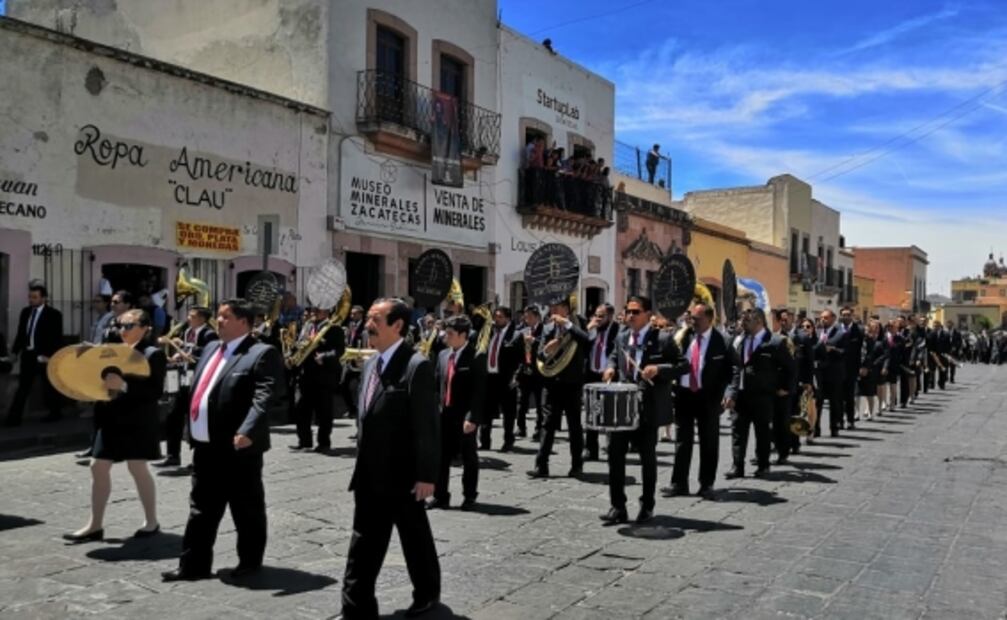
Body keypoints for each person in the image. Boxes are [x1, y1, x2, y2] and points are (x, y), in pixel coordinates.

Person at [162, 298, 286, 582]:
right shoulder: (209, 349)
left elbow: (265, 395)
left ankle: (250, 562)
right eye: (218, 316)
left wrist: (248, 429)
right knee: (201, 508)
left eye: (225, 317)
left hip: (238, 447)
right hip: (205, 446)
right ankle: (192, 566)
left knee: (246, 508)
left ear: (244, 321)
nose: (218, 321)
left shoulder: (260, 353)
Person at [341, 298, 441, 619]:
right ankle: (356, 608)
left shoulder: (416, 366)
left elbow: (427, 427)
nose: (368, 324)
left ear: (397, 325)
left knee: (414, 539)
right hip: (369, 474)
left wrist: (426, 475)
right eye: (368, 318)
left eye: (376, 319)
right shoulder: (371, 363)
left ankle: (426, 594)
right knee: (363, 544)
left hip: (403, 475)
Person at [63, 309, 167, 542]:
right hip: (110, 418)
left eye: (128, 326)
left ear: (145, 327)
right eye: (119, 325)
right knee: (97, 466)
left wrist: (125, 386)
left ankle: (151, 521)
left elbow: (155, 391)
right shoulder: (112, 350)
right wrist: (85, 356)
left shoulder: (152, 354)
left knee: (137, 468)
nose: (122, 330)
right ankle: (94, 525)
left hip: (137, 419)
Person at [600, 296, 687, 525]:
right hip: (621, 406)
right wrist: (610, 368)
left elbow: (682, 365)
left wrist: (658, 369)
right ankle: (617, 506)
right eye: (627, 311)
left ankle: (647, 505)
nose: (629, 316)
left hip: (647, 407)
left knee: (647, 458)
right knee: (614, 456)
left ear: (648, 314)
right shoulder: (621, 336)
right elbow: (613, 357)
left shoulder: (663, 338)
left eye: (635, 312)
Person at [666, 302, 732, 499]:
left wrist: (729, 393)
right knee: (682, 441)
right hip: (684, 394)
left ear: (710, 319)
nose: (692, 322)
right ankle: (678, 483)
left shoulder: (724, 341)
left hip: (709, 397)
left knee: (709, 442)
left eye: (697, 318)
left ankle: (706, 484)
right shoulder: (684, 336)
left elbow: (733, 371)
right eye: (691, 318)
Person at [723, 308, 793, 479]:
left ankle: (763, 465)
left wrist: (784, 387)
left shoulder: (775, 342)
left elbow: (789, 368)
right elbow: (734, 367)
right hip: (741, 394)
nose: (743, 323)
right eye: (742, 319)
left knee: (762, 431)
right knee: (738, 431)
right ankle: (737, 466)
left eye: (747, 320)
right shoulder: (739, 341)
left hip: (763, 395)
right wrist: (729, 392)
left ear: (759, 321)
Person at [527, 297, 591, 479]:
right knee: (547, 424)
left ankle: (577, 465)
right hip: (552, 382)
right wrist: (547, 349)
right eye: (551, 306)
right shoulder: (547, 328)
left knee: (574, 426)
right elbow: (539, 354)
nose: (552, 310)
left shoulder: (579, 324)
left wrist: (568, 325)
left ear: (565, 309)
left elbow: (587, 342)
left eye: (556, 307)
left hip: (572, 383)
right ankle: (541, 465)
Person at [429, 314, 485, 511]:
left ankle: (470, 496)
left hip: (464, 416)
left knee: (469, 457)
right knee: (441, 457)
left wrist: (472, 418)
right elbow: (437, 385)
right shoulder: (443, 355)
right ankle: (440, 495)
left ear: (463, 335)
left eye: (450, 333)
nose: (446, 337)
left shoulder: (476, 357)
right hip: (444, 414)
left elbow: (479, 392)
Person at [157, 307, 218, 469]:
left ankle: (198, 459)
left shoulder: (208, 334)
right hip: (182, 380)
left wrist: (185, 347)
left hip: (196, 382)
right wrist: (177, 353)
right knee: (173, 416)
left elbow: (209, 353)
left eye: (192, 316)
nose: (188, 318)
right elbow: (185, 351)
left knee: (195, 421)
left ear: (202, 319)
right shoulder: (187, 331)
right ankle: (172, 456)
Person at [5, 283, 64, 427]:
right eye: (30, 297)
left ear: (43, 298)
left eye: (35, 297)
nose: (31, 300)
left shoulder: (54, 315)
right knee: (23, 387)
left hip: (44, 356)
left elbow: (56, 338)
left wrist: (50, 356)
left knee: (48, 385)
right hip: (28, 355)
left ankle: (55, 412)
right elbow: (20, 334)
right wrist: (14, 353)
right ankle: (14, 418)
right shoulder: (25, 312)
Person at [291, 306, 346, 453]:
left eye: (317, 310)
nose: (313, 313)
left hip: (323, 375)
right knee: (300, 407)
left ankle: (324, 443)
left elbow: (339, 350)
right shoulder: (307, 325)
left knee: (324, 411)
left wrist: (325, 357)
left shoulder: (333, 328)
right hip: (304, 374)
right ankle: (304, 441)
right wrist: (291, 356)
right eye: (313, 310)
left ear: (326, 312)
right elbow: (299, 343)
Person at [479, 307, 519, 452]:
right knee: (486, 411)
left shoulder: (515, 335)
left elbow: (521, 360)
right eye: (495, 317)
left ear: (508, 318)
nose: (497, 320)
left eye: (500, 317)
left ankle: (508, 441)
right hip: (489, 377)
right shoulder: (489, 333)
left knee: (508, 412)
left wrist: (516, 377)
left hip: (506, 379)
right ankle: (484, 441)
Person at [584, 303, 619, 461]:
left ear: (610, 316)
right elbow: (582, 344)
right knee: (592, 412)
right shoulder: (592, 328)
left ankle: (612, 447)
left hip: (610, 375)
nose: (597, 319)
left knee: (610, 413)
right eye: (596, 315)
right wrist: (588, 328)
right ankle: (590, 449)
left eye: (601, 316)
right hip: (592, 373)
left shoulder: (618, 329)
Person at [814, 309, 847, 438]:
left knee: (834, 402)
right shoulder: (817, 332)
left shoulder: (841, 333)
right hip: (819, 373)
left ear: (833, 318)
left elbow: (845, 352)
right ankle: (815, 428)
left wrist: (833, 349)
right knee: (818, 402)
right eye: (821, 318)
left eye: (826, 318)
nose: (823, 320)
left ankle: (834, 427)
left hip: (834, 373)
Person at [515, 306, 545, 441]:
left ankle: (539, 429)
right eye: (526, 317)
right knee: (521, 401)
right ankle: (521, 427)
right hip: (525, 370)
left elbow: (547, 346)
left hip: (539, 371)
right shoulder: (522, 330)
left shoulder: (544, 330)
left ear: (537, 317)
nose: (527, 320)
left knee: (540, 403)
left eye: (530, 317)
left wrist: (534, 341)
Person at [340, 305, 368, 420]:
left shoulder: (365, 327)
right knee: (343, 384)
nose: (352, 316)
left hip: (360, 360)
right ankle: (352, 409)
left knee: (360, 387)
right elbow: (348, 339)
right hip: (349, 360)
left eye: (354, 314)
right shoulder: (350, 325)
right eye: (351, 314)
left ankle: (361, 410)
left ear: (361, 314)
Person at [838, 307, 863, 429]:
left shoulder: (858, 331)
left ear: (852, 316)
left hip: (852, 369)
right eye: (843, 315)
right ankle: (840, 419)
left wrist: (862, 367)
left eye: (848, 315)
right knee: (838, 396)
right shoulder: (837, 330)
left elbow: (862, 351)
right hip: (837, 368)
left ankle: (850, 420)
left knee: (849, 396)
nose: (846, 317)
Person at [858, 319, 887, 420]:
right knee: (858, 393)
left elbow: (884, 355)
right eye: (868, 329)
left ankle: (873, 411)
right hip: (859, 368)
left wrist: (870, 366)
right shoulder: (861, 340)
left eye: (875, 328)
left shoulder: (878, 341)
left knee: (871, 391)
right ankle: (857, 412)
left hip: (872, 369)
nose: (868, 332)